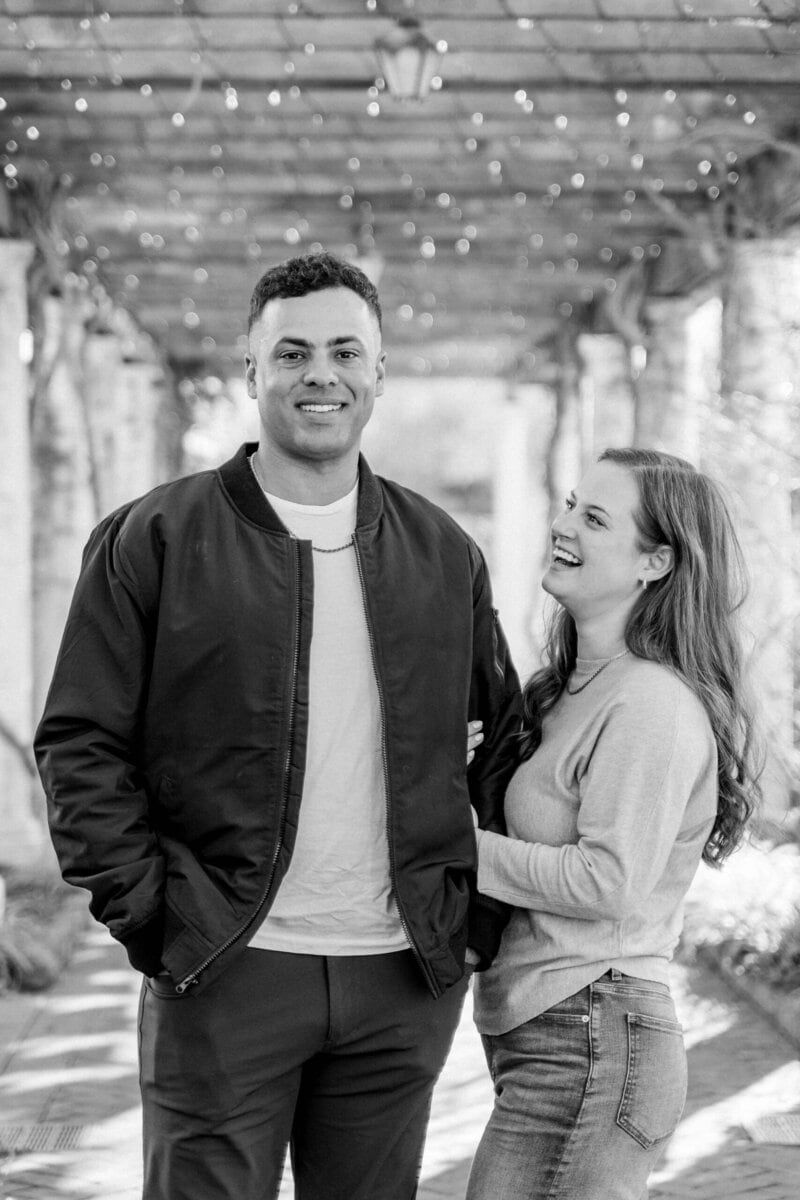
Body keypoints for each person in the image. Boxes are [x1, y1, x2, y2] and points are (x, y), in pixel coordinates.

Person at [34, 251, 522, 1200]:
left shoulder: (443, 553)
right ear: (251, 369)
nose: (320, 375)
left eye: (345, 352)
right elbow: (81, 742)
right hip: (225, 966)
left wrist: (473, 924)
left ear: (379, 371)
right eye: (292, 353)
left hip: (400, 979)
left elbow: (498, 744)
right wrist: (153, 917)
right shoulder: (155, 537)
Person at [466, 448, 762, 1200]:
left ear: (654, 563)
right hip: (556, 1039)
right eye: (572, 505)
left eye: (595, 519)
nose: (564, 525)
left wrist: (457, 848)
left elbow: (609, 882)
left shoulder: (650, 703)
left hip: (592, 1038)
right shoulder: (565, 691)